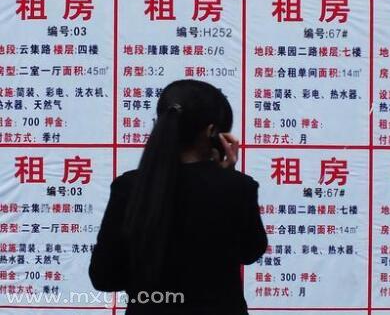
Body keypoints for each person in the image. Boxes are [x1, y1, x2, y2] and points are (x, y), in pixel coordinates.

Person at [89, 79, 267, 314]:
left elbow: (104, 276)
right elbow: (250, 252)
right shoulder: (239, 187)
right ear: (212, 132)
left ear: (160, 124)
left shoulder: (129, 187)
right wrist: (227, 178)